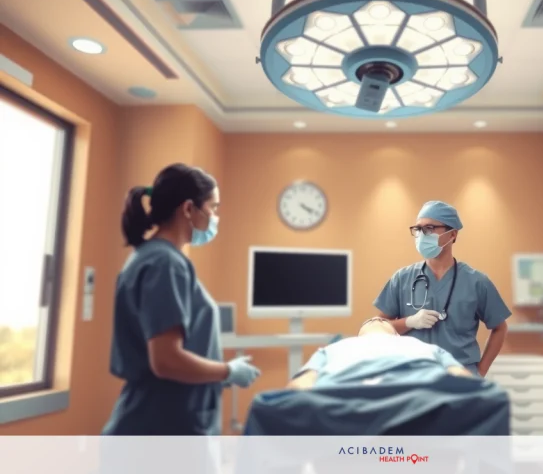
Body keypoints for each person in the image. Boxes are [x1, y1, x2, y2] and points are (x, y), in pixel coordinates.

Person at [102, 163, 260, 435]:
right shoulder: (165, 264)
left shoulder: (153, 258)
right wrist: (226, 371)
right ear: (188, 209)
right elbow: (166, 360)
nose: (215, 217)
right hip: (159, 429)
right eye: (213, 208)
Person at [372, 201, 512, 377]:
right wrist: (409, 322)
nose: (422, 235)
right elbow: (378, 328)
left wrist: (481, 370)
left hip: (460, 377)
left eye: (429, 228)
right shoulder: (402, 279)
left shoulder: (476, 282)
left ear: (452, 234)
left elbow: (500, 327)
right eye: (418, 229)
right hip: (413, 375)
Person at [287, 317, 474, 390]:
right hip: (418, 399)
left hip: (345, 404)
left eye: (382, 320)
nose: (376, 318)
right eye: (367, 321)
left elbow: (300, 385)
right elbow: (300, 386)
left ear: (397, 334)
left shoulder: (426, 346)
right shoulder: (334, 348)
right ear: (357, 336)